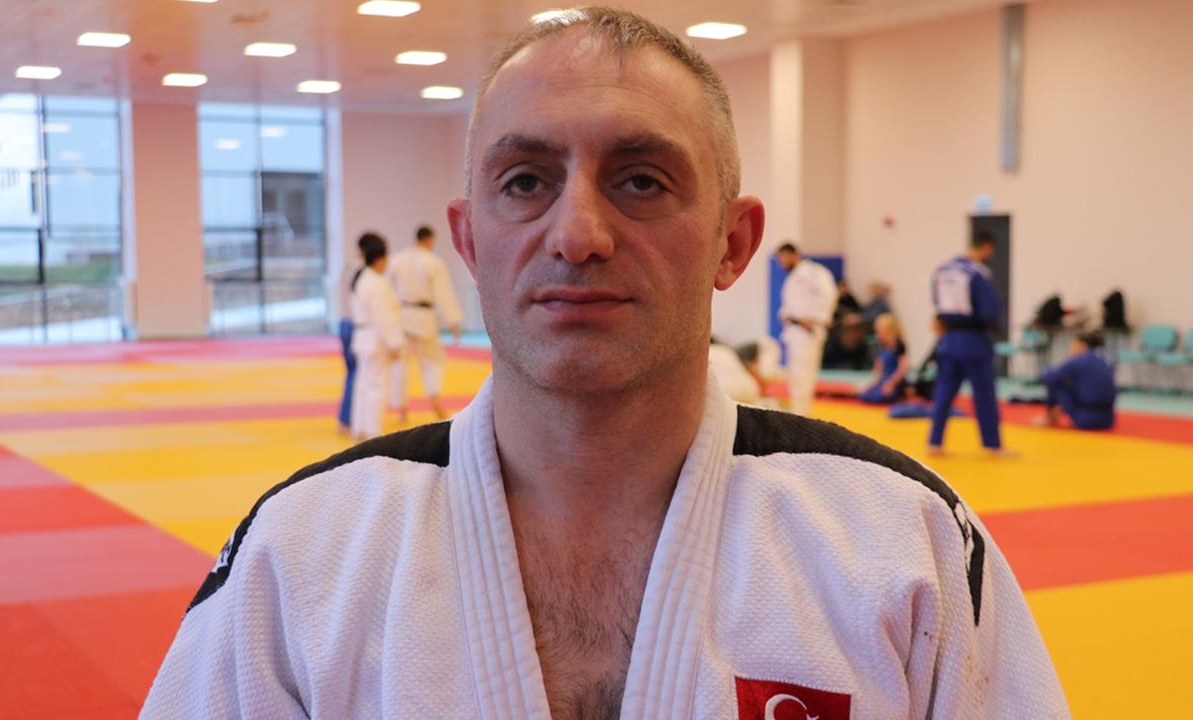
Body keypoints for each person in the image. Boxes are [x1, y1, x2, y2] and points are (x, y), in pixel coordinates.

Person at [142, 8, 1068, 719]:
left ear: (733, 242)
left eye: (641, 181)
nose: (578, 234)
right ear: (470, 240)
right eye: (524, 182)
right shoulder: (300, 554)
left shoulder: (906, 545)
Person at [928, 231, 1010, 456]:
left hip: (948, 340)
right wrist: (996, 329)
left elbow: (936, 303)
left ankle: (935, 442)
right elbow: (988, 310)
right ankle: (992, 445)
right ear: (987, 248)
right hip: (974, 340)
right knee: (984, 394)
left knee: (943, 392)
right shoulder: (978, 272)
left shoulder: (942, 270)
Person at [386, 224, 464, 421]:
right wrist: (453, 320)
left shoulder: (396, 260)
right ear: (429, 239)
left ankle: (401, 409)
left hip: (401, 316)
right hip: (424, 318)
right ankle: (434, 396)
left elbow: (387, 290)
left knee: (400, 365)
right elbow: (443, 292)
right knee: (433, 360)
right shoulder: (433, 262)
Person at [348, 232, 403, 442]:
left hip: (362, 336)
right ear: (379, 259)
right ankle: (373, 432)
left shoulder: (361, 279)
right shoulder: (377, 283)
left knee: (363, 384)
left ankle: (360, 427)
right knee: (377, 386)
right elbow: (384, 317)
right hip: (375, 338)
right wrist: (395, 343)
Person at [776, 242, 839, 416]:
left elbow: (829, 294)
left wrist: (816, 318)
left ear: (794, 254)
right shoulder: (791, 278)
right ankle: (798, 412)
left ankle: (802, 415)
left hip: (807, 331)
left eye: (783, 257)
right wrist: (786, 315)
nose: (781, 262)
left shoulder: (813, 272)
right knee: (795, 376)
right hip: (794, 331)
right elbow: (791, 306)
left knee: (804, 375)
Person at [1032, 332, 1117, 430]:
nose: (1070, 348)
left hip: (1085, 420)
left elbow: (1048, 377)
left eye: (1073, 345)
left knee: (1054, 383)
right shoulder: (1104, 362)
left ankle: (1050, 418)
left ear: (1081, 345)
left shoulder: (1078, 361)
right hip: (1108, 420)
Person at [859, 313, 909, 404]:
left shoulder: (898, 344)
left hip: (895, 382)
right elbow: (879, 369)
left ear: (888, 330)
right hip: (883, 381)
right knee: (864, 394)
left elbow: (904, 367)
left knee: (880, 397)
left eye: (879, 330)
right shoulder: (882, 345)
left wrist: (892, 383)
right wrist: (872, 384)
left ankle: (900, 393)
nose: (877, 334)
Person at [334, 259, 360, 434]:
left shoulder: (347, 269)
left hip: (344, 323)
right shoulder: (363, 273)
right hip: (356, 326)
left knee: (352, 373)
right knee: (357, 375)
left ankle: (346, 418)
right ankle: (348, 418)